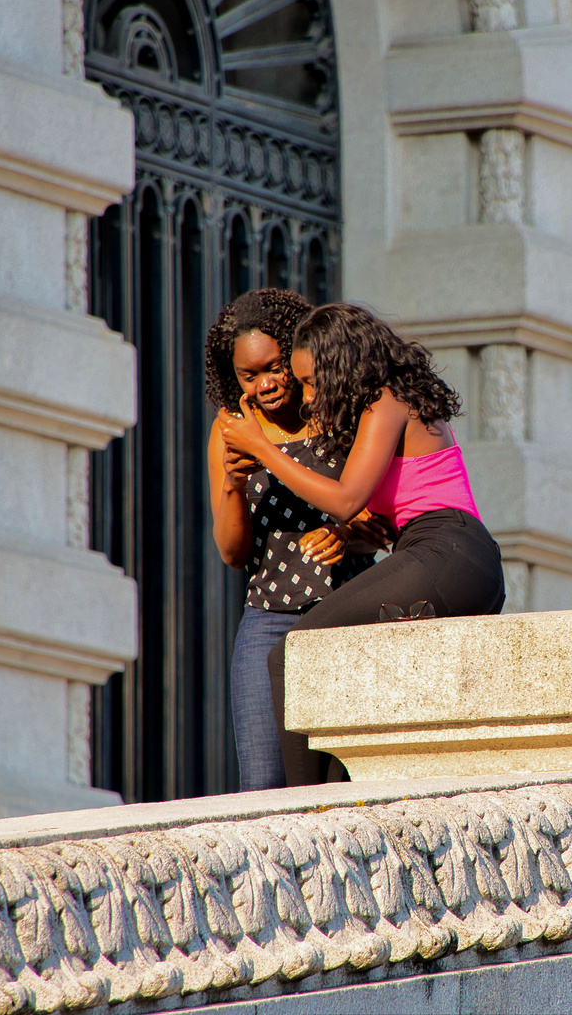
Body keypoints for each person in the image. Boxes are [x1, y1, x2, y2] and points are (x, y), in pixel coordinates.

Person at [218, 303, 506, 782]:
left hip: (447, 550)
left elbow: (347, 498)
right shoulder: (390, 404)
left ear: (341, 366)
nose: (307, 398)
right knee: (340, 751)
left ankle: (300, 814)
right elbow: (374, 517)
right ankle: (328, 805)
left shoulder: (385, 399)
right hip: (456, 560)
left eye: (312, 382)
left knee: (292, 653)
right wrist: (345, 536)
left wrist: (263, 449)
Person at [204, 289, 385, 791]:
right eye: (250, 375)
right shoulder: (229, 432)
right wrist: (232, 483)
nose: (267, 384)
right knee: (264, 784)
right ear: (234, 378)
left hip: (347, 612)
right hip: (268, 618)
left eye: (275, 366)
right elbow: (233, 553)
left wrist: (346, 536)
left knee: (346, 780)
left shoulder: (332, 410)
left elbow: (380, 523)